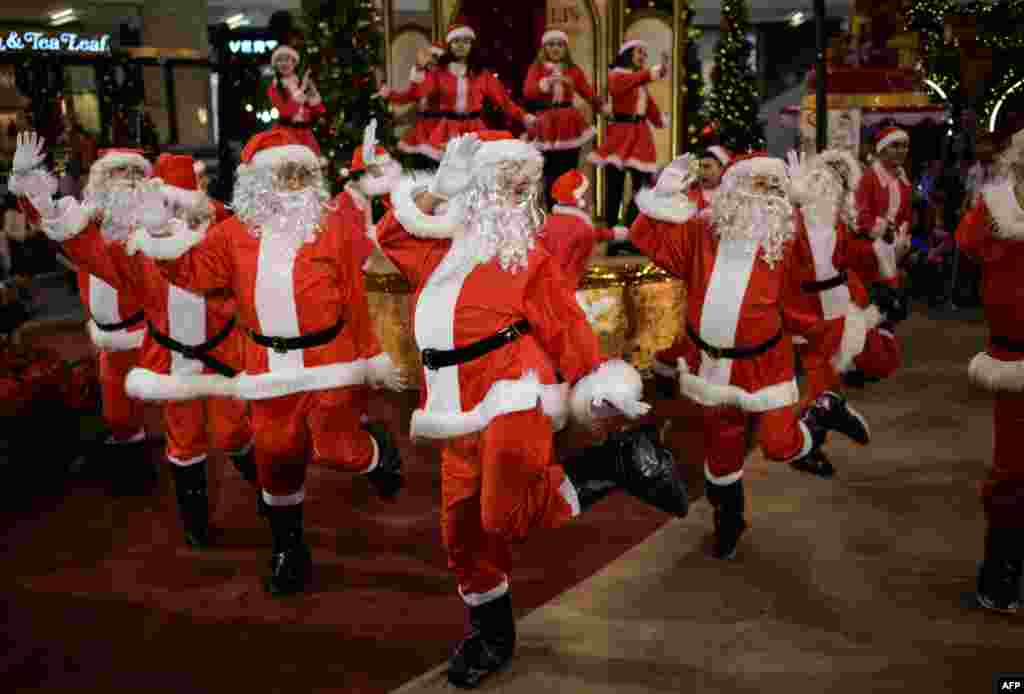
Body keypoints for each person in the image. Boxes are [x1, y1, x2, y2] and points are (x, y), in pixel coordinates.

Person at [379, 131, 688, 688]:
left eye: (524, 184)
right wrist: (435, 191)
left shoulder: (532, 255)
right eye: (504, 181)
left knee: (505, 513)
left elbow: (565, 323)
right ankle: (491, 637)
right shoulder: (436, 245)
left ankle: (610, 465)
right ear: (473, 186)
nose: (516, 194)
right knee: (463, 535)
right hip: (452, 405)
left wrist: (597, 379)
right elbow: (391, 233)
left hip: (513, 388)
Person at [129, 129, 406, 596]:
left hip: (329, 360)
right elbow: (192, 273)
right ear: (258, 182)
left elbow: (356, 299)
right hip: (266, 367)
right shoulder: (234, 233)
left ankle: (377, 456)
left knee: (338, 449)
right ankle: (288, 550)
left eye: (299, 174)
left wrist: (372, 355)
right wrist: (159, 233)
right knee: (276, 457)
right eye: (281, 175)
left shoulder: (335, 227)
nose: (291, 184)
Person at [627, 152, 869, 561]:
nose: (763, 194)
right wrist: (666, 192)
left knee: (779, 445)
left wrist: (807, 205)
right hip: (714, 365)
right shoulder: (702, 232)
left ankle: (822, 411)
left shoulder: (789, 239)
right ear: (733, 188)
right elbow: (646, 239)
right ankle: (729, 517)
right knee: (721, 451)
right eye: (754, 184)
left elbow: (823, 269)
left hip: (766, 362)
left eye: (772, 186)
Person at [13, 141, 258, 544]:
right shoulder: (134, 249)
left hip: (222, 355)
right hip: (173, 360)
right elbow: (74, 240)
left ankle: (272, 496)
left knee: (234, 434)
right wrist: (30, 189)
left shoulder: (224, 237)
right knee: (183, 442)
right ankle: (196, 526)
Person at [9, 134, 150, 494]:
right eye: (112, 176)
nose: (120, 185)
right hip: (108, 336)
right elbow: (47, 218)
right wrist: (27, 181)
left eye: (128, 177)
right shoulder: (84, 222)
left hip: (143, 333)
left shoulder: (144, 229)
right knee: (118, 413)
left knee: (152, 413)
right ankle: (135, 469)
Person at [784, 148, 905, 477]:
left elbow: (847, 258)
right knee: (822, 379)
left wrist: (881, 279)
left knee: (831, 376)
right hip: (813, 308)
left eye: (839, 179)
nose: (831, 185)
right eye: (826, 178)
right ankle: (802, 444)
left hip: (836, 301)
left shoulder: (835, 218)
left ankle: (807, 440)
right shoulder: (802, 219)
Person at [954, 128, 1024, 614]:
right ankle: (1000, 573)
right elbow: (968, 242)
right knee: (1012, 473)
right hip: (1015, 361)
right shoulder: (993, 206)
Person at [410, 23, 536, 162]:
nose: (461, 45)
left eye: (466, 41)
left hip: (475, 130)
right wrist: (419, 68)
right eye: (456, 41)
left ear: (472, 45)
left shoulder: (482, 74)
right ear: (449, 45)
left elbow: (504, 101)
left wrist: (524, 117)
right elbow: (419, 93)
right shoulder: (439, 73)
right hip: (448, 130)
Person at [588, 39, 668, 237]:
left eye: (645, 54)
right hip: (621, 134)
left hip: (640, 136)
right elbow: (618, 87)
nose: (643, 57)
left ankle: (635, 227)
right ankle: (612, 229)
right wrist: (652, 72)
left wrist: (659, 121)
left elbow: (650, 107)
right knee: (614, 184)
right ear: (628, 54)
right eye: (639, 52)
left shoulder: (638, 82)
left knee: (642, 185)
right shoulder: (618, 76)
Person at [522, 28, 604, 206]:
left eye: (560, 45)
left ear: (566, 48)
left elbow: (587, 92)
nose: (556, 48)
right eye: (551, 45)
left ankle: (567, 208)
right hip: (546, 124)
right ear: (544, 48)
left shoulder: (573, 70)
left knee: (567, 170)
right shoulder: (536, 69)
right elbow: (528, 92)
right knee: (549, 171)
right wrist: (546, 83)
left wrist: (601, 106)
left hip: (568, 124)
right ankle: (552, 212)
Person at [540, 168, 626, 288]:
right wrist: (613, 234)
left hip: (546, 281)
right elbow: (588, 235)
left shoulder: (548, 221)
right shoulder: (581, 225)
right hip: (567, 283)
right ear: (578, 196)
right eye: (586, 192)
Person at [379, 42, 447, 171]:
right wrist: (389, 94)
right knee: (419, 167)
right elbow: (407, 96)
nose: (431, 62)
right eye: (429, 59)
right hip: (422, 129)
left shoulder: (444, 79)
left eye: (434, 59)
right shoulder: (421, 77)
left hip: (440, 129)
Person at [267, 44, 325, 155]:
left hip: (306, 136)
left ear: (294, 63)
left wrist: (312, 94)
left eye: (287, 59)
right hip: (286, 135)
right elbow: (286, 112)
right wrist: (302, 89)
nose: (284, 63)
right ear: (275, 65)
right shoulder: (275, 88)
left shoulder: (302, 82)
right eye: (279, 60)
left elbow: (318, 111)